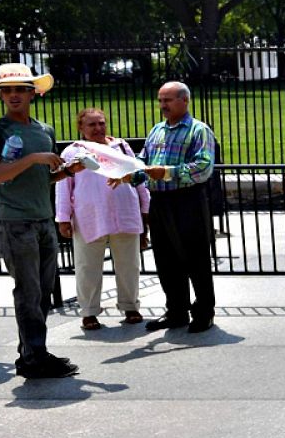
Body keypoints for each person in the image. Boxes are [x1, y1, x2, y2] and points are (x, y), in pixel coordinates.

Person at [0, 63, 85, 378]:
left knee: (41, 291)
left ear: (32, 93)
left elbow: (42, 178)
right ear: (0, 95)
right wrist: (33, 159)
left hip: (41, 219)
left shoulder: (44, 130)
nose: (12, 95)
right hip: (14, 221)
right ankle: (34, 357)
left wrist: (67, 172)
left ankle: (34, 352)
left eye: (19, 89)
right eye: (6, 90)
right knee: (28, 291)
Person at [124, 81, 217, 333]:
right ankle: (176, 310)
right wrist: (129, 174)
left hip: (188, 200)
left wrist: (165, 173)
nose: (163, 105)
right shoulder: (157, 130)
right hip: (160, 202)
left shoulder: (199, 130)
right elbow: (144, 160)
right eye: (161, 100)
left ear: (184, 101)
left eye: (168, 100)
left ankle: (203, 311)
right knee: (166, 259)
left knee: (195, 258)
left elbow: (203, 167)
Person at [57, 108, 150, 330]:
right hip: (89, 215)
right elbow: (63, 187)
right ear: (81, 128)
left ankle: (130, 306)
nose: (98, 128)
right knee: (87, 265)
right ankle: (89, 312)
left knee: (129, 264)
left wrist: (145, 207)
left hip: (125, 212)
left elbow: (138, 176)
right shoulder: (73, 153)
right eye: (92, 125)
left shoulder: (121, 147)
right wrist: (63, 218)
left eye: (101, 123)